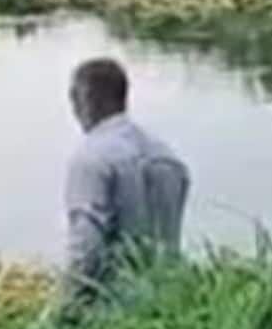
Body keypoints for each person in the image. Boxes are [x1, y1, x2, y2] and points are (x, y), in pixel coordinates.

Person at [60, 57, 190, 313]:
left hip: (114, 312)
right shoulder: (168, 157)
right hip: (173, 304)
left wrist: (60, 315)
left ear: (81, 99)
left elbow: (85, 250)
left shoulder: (91, 159)